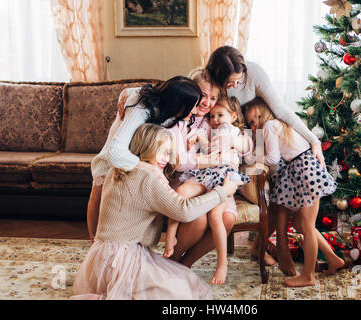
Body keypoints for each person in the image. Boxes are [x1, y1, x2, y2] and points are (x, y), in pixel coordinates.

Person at [71, 123, 242, 300]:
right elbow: (184, 211)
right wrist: (222, 192)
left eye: (169, 153)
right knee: (184, 292)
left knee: (177, 279)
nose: (166, 159)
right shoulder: (148, 177)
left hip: (100, 258)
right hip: (121, 259)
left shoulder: (117, 168)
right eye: (163, 152)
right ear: (146, 148)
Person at [87, 76, 202, 244]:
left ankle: (124, 243)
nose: (196, 111)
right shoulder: (141, 109)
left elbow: (132, 91)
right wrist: (150, 169)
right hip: (115, 156)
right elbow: (115, 154)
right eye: (193, 106)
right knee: (99, 193)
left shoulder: (171, 114)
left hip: (136, 156)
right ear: (178, 103)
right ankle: (95, 244)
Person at [244, 97, 342, 287]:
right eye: (249, 124)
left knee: (305, 226)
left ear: (260, 114)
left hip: (304, 171)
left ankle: (308, 275)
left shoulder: (270, 126)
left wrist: (249, 157)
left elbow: (272, 159)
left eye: (253, 121)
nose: (252, 126)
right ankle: (333, 258)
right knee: (301, 224)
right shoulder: (281, 124)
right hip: (303, 169)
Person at [165, 96, 252, 284]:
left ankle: (222, 263)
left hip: (226, 176)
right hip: (207, 174)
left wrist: (234, 143)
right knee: (182, 192)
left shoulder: (236, 132)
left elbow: (248, 148)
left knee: (216, 216)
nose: (215, 120)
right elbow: (209, 150)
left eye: (220, 115)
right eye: (212, 116)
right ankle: (170, 238)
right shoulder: (212, 132)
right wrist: (200, 138)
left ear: (234, 116)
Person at [205, 45, 325, 168]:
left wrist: (314, 141)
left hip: (253, 137)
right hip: (220, 137)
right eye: (230, 82)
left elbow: (281, 110)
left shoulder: (254, 73)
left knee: (253, 170)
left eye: (239, 80)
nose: (235, 85)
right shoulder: (209, 83)